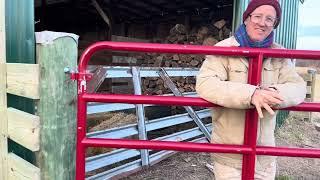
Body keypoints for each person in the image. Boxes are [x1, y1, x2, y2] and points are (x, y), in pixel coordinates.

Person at [196, 0, 306, 179]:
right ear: (247, 18)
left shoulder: (279, 54)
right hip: (229, 155)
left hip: (264, 156)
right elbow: (206, 84)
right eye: (257, 16)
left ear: (275, 24)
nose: (262, 23)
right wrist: (251, 94)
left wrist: (272, 93)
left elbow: (298, 87)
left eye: (270, 19)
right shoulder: (224, 49)